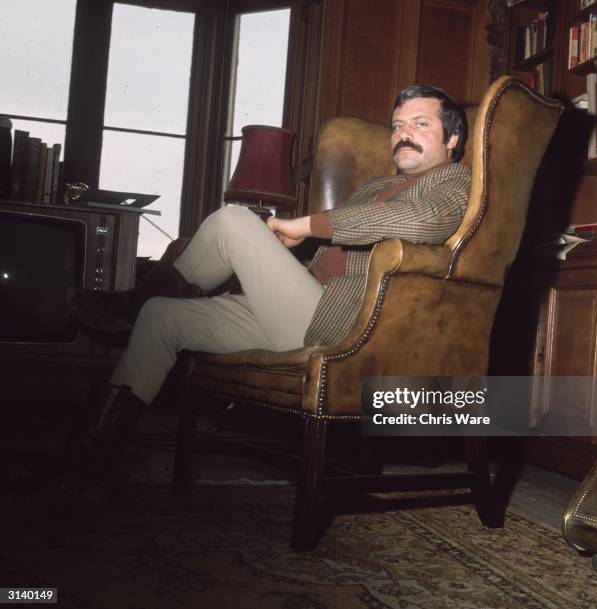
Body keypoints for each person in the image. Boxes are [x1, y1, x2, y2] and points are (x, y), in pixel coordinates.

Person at [66, 84, 471, 488]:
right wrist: (283, 257)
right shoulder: (374, 188)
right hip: (301, 310)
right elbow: (334, 251)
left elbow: (419, 221)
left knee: (234, 220)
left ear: (452, 138)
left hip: (342, 328)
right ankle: (91, 457)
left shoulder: (456, 183)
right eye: (397, 125)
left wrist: (307, 224)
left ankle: (130, 306)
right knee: (162, 317)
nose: (404, 134)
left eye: (420, 124)